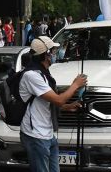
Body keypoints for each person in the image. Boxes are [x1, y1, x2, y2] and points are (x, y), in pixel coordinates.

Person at [18, 36, 86, 172]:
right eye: (53, 51)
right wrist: (75, 85)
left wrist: (68, 106)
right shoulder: (31, 75)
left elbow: (50, 101)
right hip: (35, 135)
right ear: (46, 54)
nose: (56, 54)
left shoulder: (44, 74)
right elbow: (58, 100)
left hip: (47, 133)